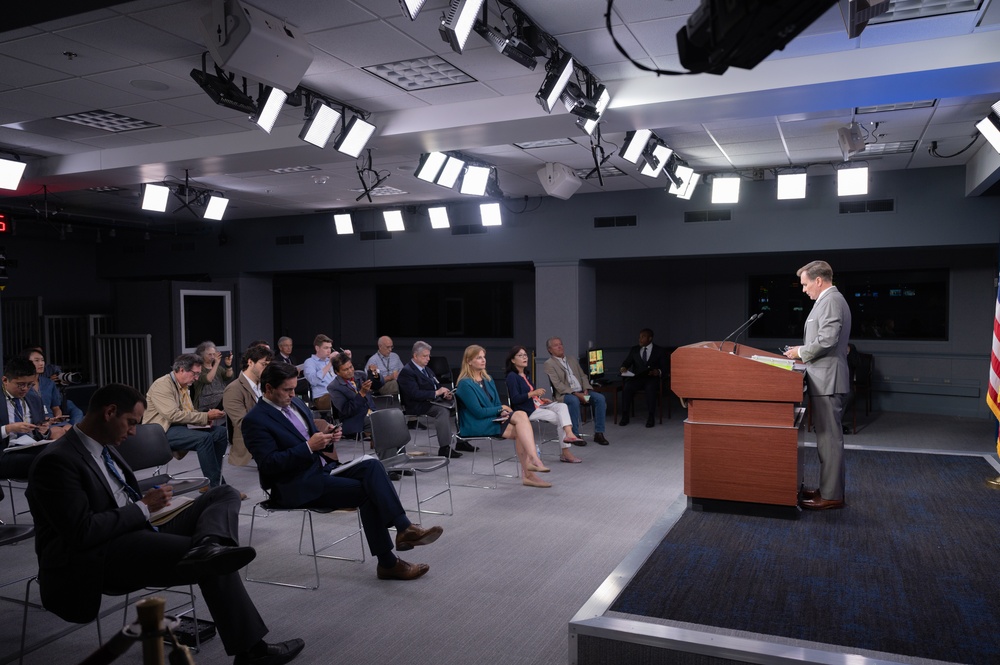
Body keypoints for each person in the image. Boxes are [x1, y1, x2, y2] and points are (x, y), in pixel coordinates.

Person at [25, 383, 305, 665]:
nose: (134, 431)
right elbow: (82, 532)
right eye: (131, 423)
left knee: (223, 494)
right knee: (213, 563)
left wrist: (144, 507)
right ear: (109, 412)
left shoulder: (104, 448)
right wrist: (143, 507)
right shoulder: (57, 461)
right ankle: (252, 652)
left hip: (135, 530)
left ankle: (209, 544)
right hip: (98, 555)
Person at [242, 362, 442, 581]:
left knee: (373, 466)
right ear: (269, 389)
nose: (293, 394)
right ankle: (390, 559)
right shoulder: (255, 420)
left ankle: (403, 531)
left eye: (293, 388)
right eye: (287, 390)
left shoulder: (297, 404)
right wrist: (309, 446)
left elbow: (309, 441)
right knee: (367, 492)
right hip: (294, 485)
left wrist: (328, 439)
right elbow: (269, 464)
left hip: (321, 470)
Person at [784, 260, 852, 511]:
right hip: (823, 378)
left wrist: (800, 351)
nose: (803, 289)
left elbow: (827, 340)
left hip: (828, 380)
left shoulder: (832, 300)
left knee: (830, 441)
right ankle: (827, 488)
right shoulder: (826, 301)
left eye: (805, 284)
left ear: (819, 281)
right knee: (825, 439)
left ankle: (832, 495)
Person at [454, 345, 553, 488]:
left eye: (484, 357)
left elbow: (494, 404)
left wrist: (502, 412)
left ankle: (532, 466)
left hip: (492, 419)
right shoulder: (465, 384)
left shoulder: (488, 379)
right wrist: (501, 408)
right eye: (479, 358)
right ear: (469, 361)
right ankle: (531, 468)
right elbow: (478, 412)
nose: (483, 360)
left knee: (520, 416)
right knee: (520, 424)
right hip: (476, 423)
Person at [143, 353, 230, 489]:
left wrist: (205, 420)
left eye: (198, 374)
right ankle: (217, 487)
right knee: (204, 438)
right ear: (182, 370)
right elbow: (172, 415)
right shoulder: (162, 385)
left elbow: (188, 412)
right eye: (195, 374)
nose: (196, 378)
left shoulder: (183, 386)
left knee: (221, 433)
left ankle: (214, 481)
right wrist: (206, 417)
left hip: (179, 427)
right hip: (159, 432)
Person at [504, 345, 582, 464]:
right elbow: (515, 399)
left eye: (525, 355)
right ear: (513, 360)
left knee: (562, 406)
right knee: (561, 418)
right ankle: (566, 452)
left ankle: (569, 434)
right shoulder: (512, 377)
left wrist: (539, 398)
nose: (524, 357)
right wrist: (533, 393)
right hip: (526, 411)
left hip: (537, 405)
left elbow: (530, 395)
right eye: (520, 355)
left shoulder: (526, 374)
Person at [397, 341, 475, 459]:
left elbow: (436, 386)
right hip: (417, 405)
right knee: (442, 411)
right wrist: (436, 393)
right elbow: (414, 394)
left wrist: (444, 394)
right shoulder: (407, 372)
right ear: (415, 356)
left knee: (461, 405)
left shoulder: (426, 369)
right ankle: (445, 448)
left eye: (429, 355)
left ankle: (461, 441)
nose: (428, 358)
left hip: (432, 400)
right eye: (425, 356)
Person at [0, 356, 61, 485]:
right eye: (21, 384)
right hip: (3, 453)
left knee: (64, 452)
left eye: (30, 384)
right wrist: (9, 429)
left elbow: (39, 431)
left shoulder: (33, 398)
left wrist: (44, 431)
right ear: (5, 380)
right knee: (48, 462)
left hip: (29, 447)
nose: (25, 389)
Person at [543, 337, 610, 446]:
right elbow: (558, 385)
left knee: (599, 399)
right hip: (564, 395)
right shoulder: (549, 364)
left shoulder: (571, 359)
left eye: (561, 344)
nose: (560, 346)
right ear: (550, 350)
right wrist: (576, 394)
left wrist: (586, 389)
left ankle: (599, 433)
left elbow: (583, 376)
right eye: (556, 345)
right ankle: (574, 434)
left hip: (583, 393)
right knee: (574, 401)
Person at [222, 344, 273, 467]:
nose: (266, 369)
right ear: (250, 362)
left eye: (268, 365)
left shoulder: (266, 384)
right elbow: (244, 423)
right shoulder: (234, 389)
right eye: (263, 364)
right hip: (253, 443)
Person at [618, 328, 667, 428]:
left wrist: (658, 371)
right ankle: (625, 416)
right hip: (637, 378)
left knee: (650, 389)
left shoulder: (659, 351)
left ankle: (651, 416)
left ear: (650, 338)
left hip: (651, 378)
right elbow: (627, 362)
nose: (640, 339)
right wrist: (623, 368)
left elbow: (665, 368)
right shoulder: (634, 350)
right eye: (639, 337)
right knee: (627, 387)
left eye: (643, 337)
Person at [327, 355, 381, 440]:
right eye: (345, 369)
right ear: (337, 372)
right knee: (383, 423)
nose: (350, 371)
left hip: (372, 413)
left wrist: (375, 374)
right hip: (353, 420)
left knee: (394, 418)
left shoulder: (360, 375)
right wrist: (361, 393)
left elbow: (377, 386)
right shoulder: (334, 387)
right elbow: (347, 410)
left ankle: (393, 450)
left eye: (351, 367)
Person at [303, 334, 350, 402]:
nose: (329, 351)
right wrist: (330, 363)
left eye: (330, 348)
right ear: (317, 348)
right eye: (326, 348)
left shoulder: (331, 360)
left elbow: (346, 376)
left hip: (336, 393)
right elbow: (313, 381)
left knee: (357, 394)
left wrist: (347, 359)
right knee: (339, 397)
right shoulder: (310, 362)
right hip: (321, 397)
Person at [192, 340, 235, 411]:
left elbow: (229, 376)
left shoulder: (218, 368)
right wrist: (216, 363)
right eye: (209, 354)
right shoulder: (198, 369)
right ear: (201, 355)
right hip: (204, 406)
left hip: (222, 403)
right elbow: (208, 379)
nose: (212, 356)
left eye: (214, 354)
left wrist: (228, 365)